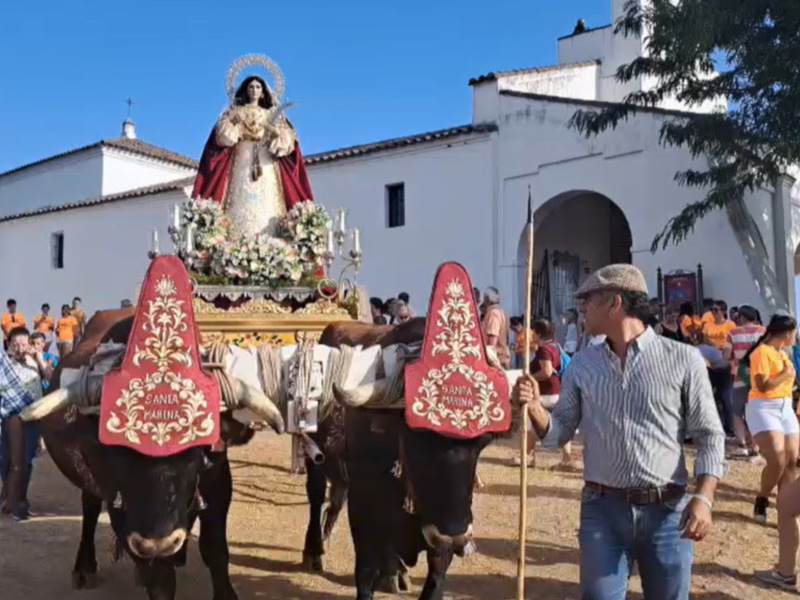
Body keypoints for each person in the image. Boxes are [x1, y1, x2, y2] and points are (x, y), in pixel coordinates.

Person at [516, 264, 725, 599]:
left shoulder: (684, 360)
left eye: (588, 299)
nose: (581, 307)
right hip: (602, 510)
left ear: (614, 303)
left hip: (668, 513)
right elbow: (557, 436)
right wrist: (535, 406)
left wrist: (703, 497)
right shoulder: (582, 365)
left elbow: (710, 436)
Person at [192, 71, 315, 239]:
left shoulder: (272, 114)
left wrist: (276, 135)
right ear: (245, 90)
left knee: (268, 198)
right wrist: (236, 129)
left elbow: (288, 140)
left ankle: (272, 238)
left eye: (258, 87)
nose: (254, 90)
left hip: (267, 161)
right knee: (240, 195)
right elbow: (222, 134)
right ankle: (234, 237)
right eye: (251, 86)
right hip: (242, 159)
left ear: (263, 91)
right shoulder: (235, 112)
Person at [742, 314, 799, 524]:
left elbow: (787, 383)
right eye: (794, 332)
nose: (796, 336)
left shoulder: (782, 354)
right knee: (777, 458)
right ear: (786, 334)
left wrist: (788, 381)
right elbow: (763, 385)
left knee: (792, 461)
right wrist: (786, 375)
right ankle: (762, 497)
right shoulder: (761, 353)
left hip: (785, 407)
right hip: (763, 407)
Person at [1, 327, 53, 521]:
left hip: (32, 418)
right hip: (8, 418)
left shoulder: (37, 362)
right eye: (16, 344)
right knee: (5, 460)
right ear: (9, 345)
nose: (20, 348)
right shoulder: (4, 364)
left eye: (24, 344)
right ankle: (11, 495)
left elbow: (51, 378)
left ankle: (19, 501)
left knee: (26, 460)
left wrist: (39, 357)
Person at [528, 319, 574, 469]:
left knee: (532, 424)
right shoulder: (555, 346)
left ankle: (527, 457)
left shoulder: (544, 350)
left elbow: (546, 371)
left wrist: (530, 377)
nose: (531, 334)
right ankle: (567, 460)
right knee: (561, 425)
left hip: (544, 393)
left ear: (538, 333)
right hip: (555, 392)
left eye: (533, 331)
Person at [0, 345, 37, 521]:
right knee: (10, 460)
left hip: (14, 411)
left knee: (17, 460)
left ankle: (13, 501)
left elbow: (13, 391)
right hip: (13, 410)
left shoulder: (31, 363)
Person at [728, 305, 765, 459]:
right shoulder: (763, 331)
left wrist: (733, 358)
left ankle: (742, 444)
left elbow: (725, 354)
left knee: (737, 412)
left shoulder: (733, 333)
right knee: (756, 412)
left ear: (742, 318)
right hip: (758, 378)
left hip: (739, 378)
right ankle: (756, 446)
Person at [695, 334, 734, 436]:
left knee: (723, 398)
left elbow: (702, 367)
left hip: (722, 370)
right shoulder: (708, 348)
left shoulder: (697, 350)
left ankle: (728, 427)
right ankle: (728, 427)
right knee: (723, 399)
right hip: (723, 368)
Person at [481, 287, 511, 369]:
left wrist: (491, 360)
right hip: (502, 357)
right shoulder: (502, 312)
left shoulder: (493, 314)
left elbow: (492, 339)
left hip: (497, 360)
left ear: (486, 300)